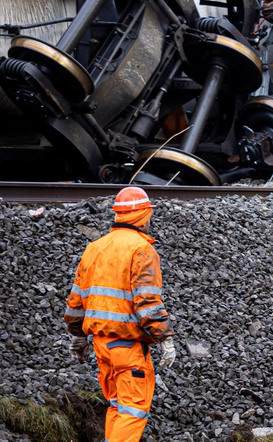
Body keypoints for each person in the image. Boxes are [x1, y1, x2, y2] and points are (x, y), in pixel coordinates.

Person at [64, 186, 176, 442]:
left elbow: (75, 300)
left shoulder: (95, 248)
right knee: (133, 410)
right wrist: (165, 338)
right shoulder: (142, 250)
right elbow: (147, 301)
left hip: (101, 347)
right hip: (128, 348)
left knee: (117, 406)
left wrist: (78, 335)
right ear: (144, 216)